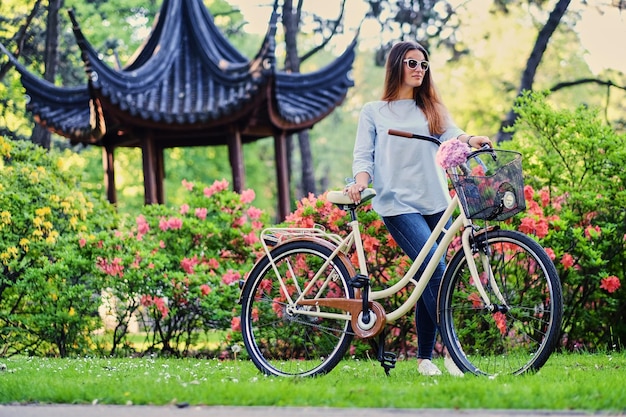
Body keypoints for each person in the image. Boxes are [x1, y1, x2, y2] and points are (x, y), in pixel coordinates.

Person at [345, 40, 492, 376]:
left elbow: (451, 134)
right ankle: (453, 355)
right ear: (397, 65)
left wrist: (472, 140)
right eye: (412, 63)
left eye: (424, 65)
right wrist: (361, 181)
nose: (419, 70)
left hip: (436, 203)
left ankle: (425, 359)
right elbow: (362, 155)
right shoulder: (374, 111)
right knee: (436, 272)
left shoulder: (431, 109)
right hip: (397, 204)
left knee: (430, 276)